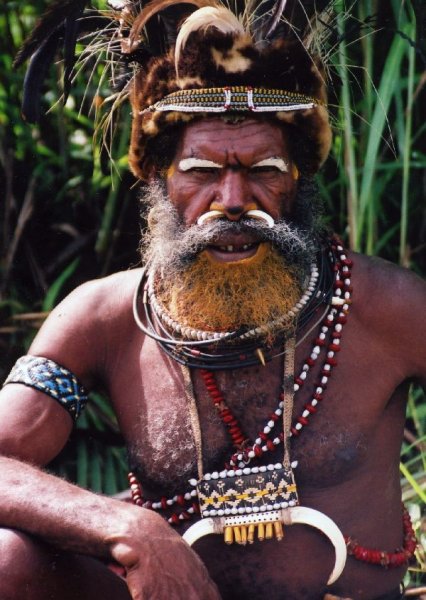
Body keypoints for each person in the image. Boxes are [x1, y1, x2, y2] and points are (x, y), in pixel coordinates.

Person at [1, 1, 424, 599]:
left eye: (263, 170)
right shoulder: (102, 319)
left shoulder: (391, 308)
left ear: (298, 177)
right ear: (159, 177)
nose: (232, 199)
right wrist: (127, 526)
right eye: (200, 170)